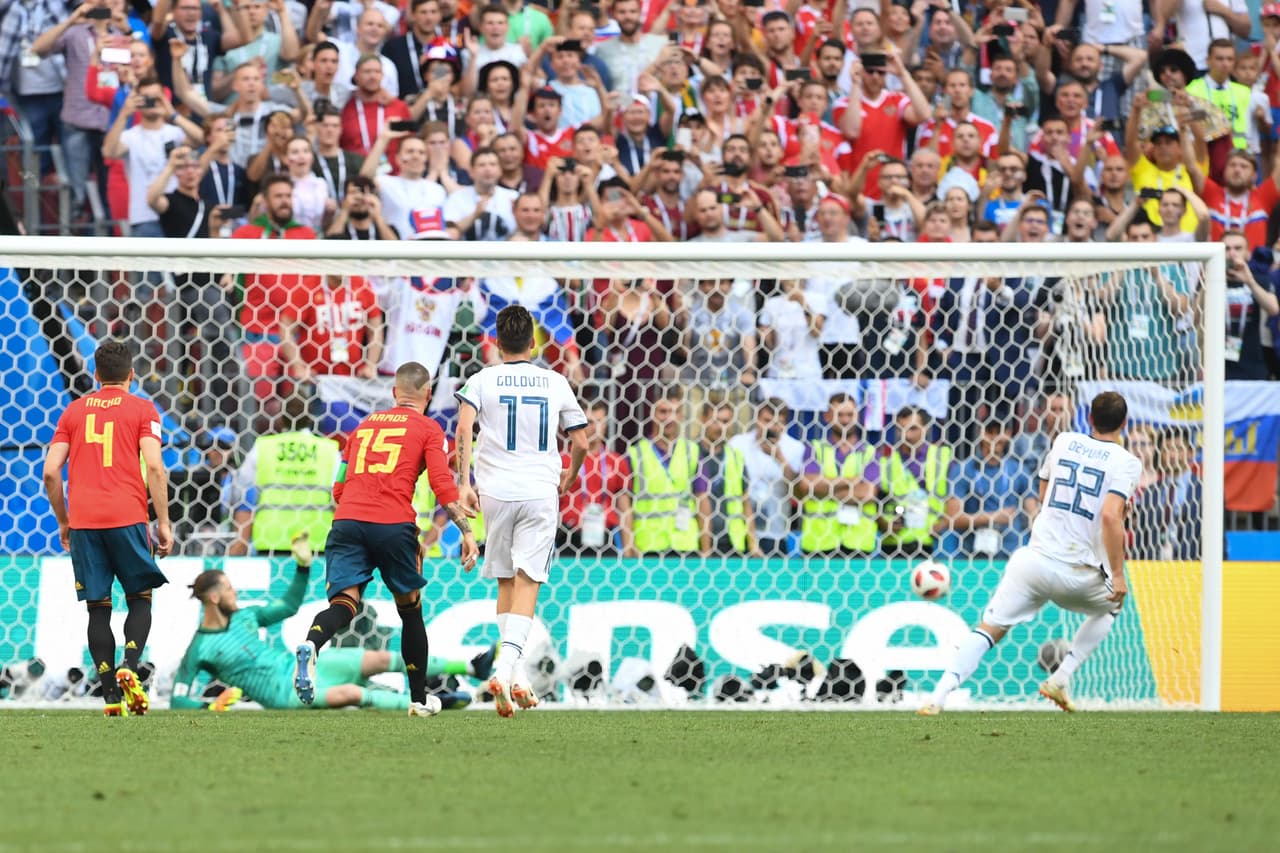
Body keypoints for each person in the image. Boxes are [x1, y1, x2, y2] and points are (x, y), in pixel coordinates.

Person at [920, 391, 1140, 715]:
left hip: (1033, 563)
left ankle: (937, 697)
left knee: (988, 628)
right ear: (1124, 423)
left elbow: (1043, 490)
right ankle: (1061, 678)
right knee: (1112, 606)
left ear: (1089, 418)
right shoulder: (1127, 462)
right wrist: (1117, 574)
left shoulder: (1064, 441)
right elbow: (1110, 515)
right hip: (1079, 576)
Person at [295, 362, 477, 717]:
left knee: (343, 605)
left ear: (395, 393)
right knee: (410, 611)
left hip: (347, 520)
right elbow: (443, 486)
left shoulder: (362, 428)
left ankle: (312, 645)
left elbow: (338, 486)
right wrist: (467, 531)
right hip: (393, 525)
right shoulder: (429, 429)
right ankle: (419, 699)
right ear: (427, 394)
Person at [454, 306, 589, 717]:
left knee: (504, 584)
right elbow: (581, 441)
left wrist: (463, 483)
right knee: (528, 582)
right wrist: (569, 477)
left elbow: (463, 429)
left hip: (495, 492)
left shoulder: (480, 379)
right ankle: (505, 667)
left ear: (495, 342)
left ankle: (516, 678)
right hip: (538, 490)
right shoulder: (555, 381)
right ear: (534, 343)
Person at [174, 536, 489, 711]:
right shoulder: (200, 648)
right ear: (214, 598)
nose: (236, 592)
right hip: (284, 695)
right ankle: (425, 703)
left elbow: (288, 605)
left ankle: (473, 667)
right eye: (229, 588)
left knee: (375, 658)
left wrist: (302, 567)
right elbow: (177, 698)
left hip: (300, 670)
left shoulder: (245, 616)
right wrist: (209, 708)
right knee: (351, 693)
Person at [42, 340, 173, 717]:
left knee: (98, 610)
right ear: (132, 374)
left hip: (84, 523)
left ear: (96, 376)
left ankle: (111, 695)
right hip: (128, 518)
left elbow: (50, 472)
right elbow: (155, 466)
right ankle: (129, 666)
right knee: (140, 598)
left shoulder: (73, 412)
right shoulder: (143, 409)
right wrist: (163, 522)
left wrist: (64, 521)